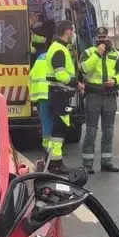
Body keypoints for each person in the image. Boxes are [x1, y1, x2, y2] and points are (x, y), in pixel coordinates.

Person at [78, 27, 119, 173]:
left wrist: (116, 80)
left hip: (110, 95)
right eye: (99, 38)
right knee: (91, 130)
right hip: (93, 95)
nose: (102, 40)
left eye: (104, 37)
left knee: (108, 130)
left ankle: (106, 162)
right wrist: (97, 54)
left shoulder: (116, 54)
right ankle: (87, 163)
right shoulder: (88, 53)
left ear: (108, 37)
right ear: (95, 39)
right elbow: (84, 69)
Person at [44, 20, 80, 174]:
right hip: (59, 95)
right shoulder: (59, 49)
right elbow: (60, 74)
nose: (73, 33)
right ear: (67, 31)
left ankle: (53, 161)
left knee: (58, 129)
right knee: (59, 130)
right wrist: (76, 83)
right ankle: (56, 164)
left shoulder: (58, 47)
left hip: (59, 94)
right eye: (71, 30)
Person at [29, 50, 52, 154]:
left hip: (41, 95)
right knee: (54, 121)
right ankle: (51, 146)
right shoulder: (58, 55)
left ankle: (47, 144)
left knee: (45, 121)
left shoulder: (40, 58)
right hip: (53, 93)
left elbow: (31, 76)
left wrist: (32, 97)